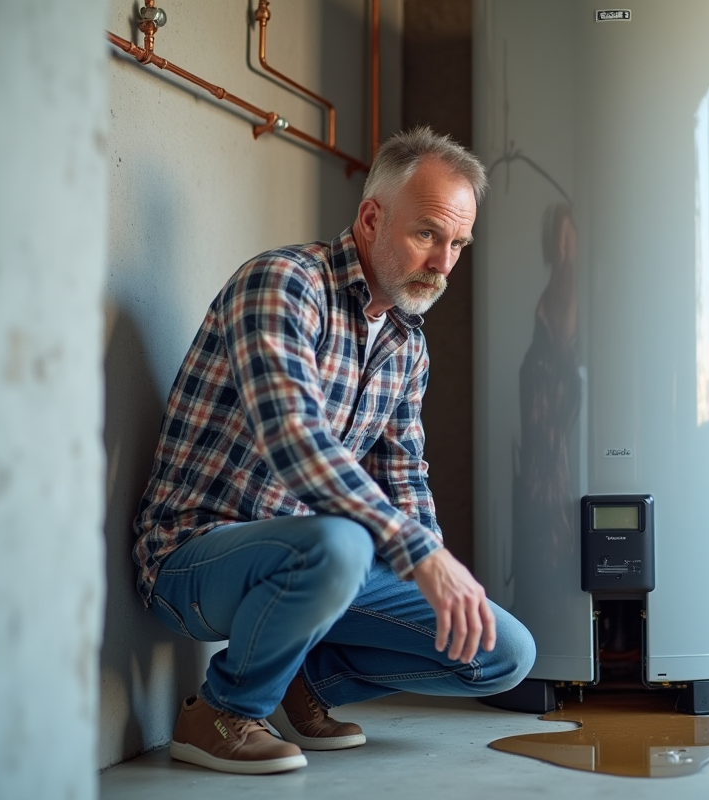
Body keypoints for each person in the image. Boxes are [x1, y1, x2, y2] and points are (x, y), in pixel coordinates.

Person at [132, 127, 536, 775]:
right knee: (341, 544)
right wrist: (420, 554)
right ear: (371, 218)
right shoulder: (284, 283)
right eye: (428, 234)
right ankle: (223, 711)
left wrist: (436, 568)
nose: (443, 264)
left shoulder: (408, 342)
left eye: (458, 243)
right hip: (195, 558)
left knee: (502, 652)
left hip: (319, 567)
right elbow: (296, 441)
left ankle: (305, 677)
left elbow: (404, 473)